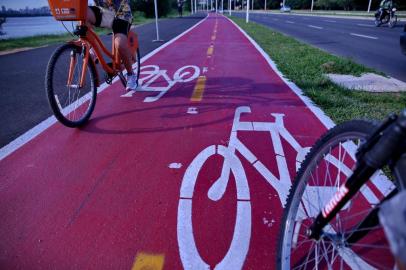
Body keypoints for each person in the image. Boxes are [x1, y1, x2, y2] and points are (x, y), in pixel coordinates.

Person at [87, 0, 137, 91]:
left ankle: (131, 74)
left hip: (121, 12)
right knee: (82, 14)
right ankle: (92, 48)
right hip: (103, 11)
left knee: (120, 44)